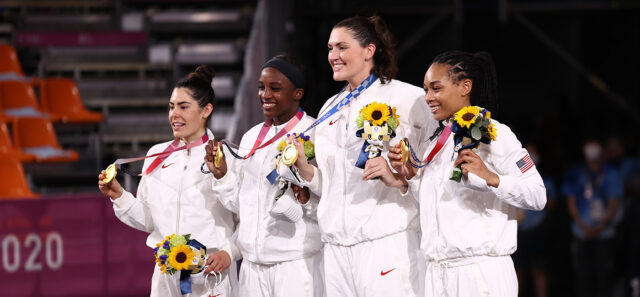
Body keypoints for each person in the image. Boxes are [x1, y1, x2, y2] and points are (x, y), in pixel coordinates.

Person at [285, 15, 436, 297]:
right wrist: (306, 171)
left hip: (386, 243)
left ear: (369, 51)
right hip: (336, 249)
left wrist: (402, 181)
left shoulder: (409, 98)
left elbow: (435, 166)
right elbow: (329, 184)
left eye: (342, 47)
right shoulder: (331, 106)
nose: (333, 56)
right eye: (330, 48)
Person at [386, 50, 547, 297]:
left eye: (436, 88)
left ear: (465, 86)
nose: (428, 97)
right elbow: (441, 203)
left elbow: (538, 196)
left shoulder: (495, 133)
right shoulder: (436, 142)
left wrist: (493, 178)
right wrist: (408, 177)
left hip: (479, 273)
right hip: (437, 273)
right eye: (426, 89)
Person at [98, 65, 239, 297]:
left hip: (212, 274)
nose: (174, 114)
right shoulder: (157, 155)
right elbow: (150, 221)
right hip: (166, 274)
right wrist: (120, 196)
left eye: (184, 107)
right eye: (172, 107)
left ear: (206, 110)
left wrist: (229, 252)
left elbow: (244, 215)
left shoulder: (227, 158)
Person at [204, 55, 324, 297]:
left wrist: (305, 196)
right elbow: (243, 206)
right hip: (252, 267)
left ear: (297, 93)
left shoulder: (316, 133)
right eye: (261, 87)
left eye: (275, 88)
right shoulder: (251, 137)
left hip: (296, 264)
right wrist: (222, 176)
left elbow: (327, 198)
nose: (265, 94)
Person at [562, 139, 622, 297]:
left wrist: (602, 226)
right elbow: (571, 202)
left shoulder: (610, 172)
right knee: (583, 274)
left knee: (604, 274)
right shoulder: (575, 173)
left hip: (605, 233)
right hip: (581, 233)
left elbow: (613, 202)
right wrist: (583, 227)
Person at [513, 144, 557, 297]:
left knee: (539, 268)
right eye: (527, 153)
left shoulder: (544, 178)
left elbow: (552, 203)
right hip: (518, 231)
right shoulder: (513, 177)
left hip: (537, 229)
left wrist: (536, 198)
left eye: (533, 153)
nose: (530, 156)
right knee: (518, 269)